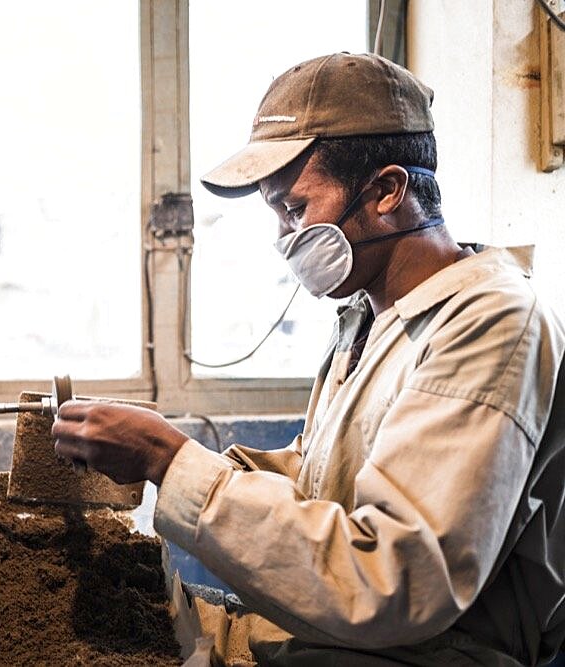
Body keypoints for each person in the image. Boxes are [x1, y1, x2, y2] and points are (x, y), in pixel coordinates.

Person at [52, 52, 565, 666]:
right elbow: (324, 475)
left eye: (295, 209)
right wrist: (183, 459)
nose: (284, 239)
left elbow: (394, 579)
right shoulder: (371, 313)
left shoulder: (489, 322)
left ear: (386, 191)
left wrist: (170, 460)